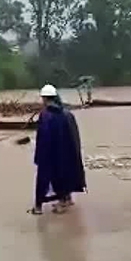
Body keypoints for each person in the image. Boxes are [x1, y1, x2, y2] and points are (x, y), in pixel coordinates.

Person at [29, 84, 84, 215]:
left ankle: (39, 207)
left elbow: (43, 137)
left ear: (44, 98)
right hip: (67, 153)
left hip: (50, 154)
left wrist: (39, 157)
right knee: (65, 174)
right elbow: (74, 137)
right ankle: (66, 199)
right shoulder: (67, 114)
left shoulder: (46, 115)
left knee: (44, 178)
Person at [55, 93, 87, 206]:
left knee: (59, 175)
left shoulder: (60, 116)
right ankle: (67, 198)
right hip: (69, 150)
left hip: (61, 151)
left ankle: (63, 201)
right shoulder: (67, 114)